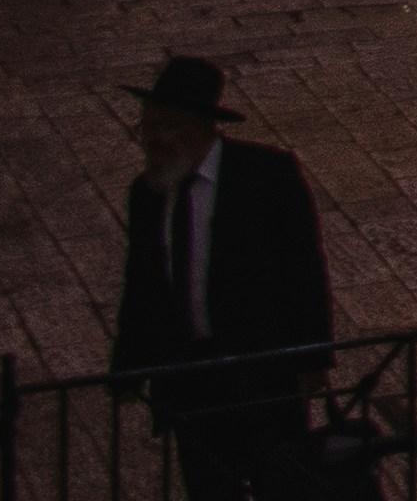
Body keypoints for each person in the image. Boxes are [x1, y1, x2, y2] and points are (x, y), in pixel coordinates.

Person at [108, 54, 330, 501]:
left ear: (199, 128)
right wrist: (129, 366)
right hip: (190, 375)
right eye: (147, 125)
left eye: (163, 126)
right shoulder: (148, 191)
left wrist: (312, 356)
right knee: (208, 486)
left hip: (258, 368)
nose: (151, 138)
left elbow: (302, 265)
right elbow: (144, 280)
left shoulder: (267, 176)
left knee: (278, 480)